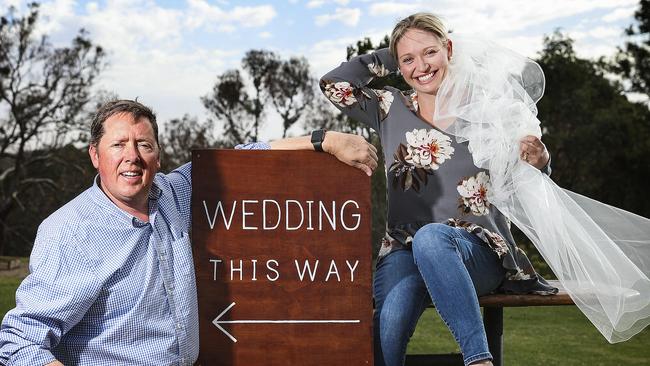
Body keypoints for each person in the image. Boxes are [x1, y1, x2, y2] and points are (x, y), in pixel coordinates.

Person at [0, 99, 377, 365]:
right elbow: (21, 343)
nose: (132, 155)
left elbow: (245, 154)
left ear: (158, 156)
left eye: (143, 144)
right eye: (118, 145)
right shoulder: (70, 232)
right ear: (96, 156)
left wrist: (324, 140)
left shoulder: (173, 194)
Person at [320, 13, 557, 366]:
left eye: (430, 52)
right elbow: (334, 83)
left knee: (433, 238)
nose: (421, 67)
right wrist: (397, 52)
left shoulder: (486, 109)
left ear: (449, 49)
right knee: (390, 323)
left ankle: (478, 360)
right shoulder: (389, 107)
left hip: (477, 250)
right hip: (403, 248)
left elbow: (528, 173)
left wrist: (541, 160)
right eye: (408, 60)